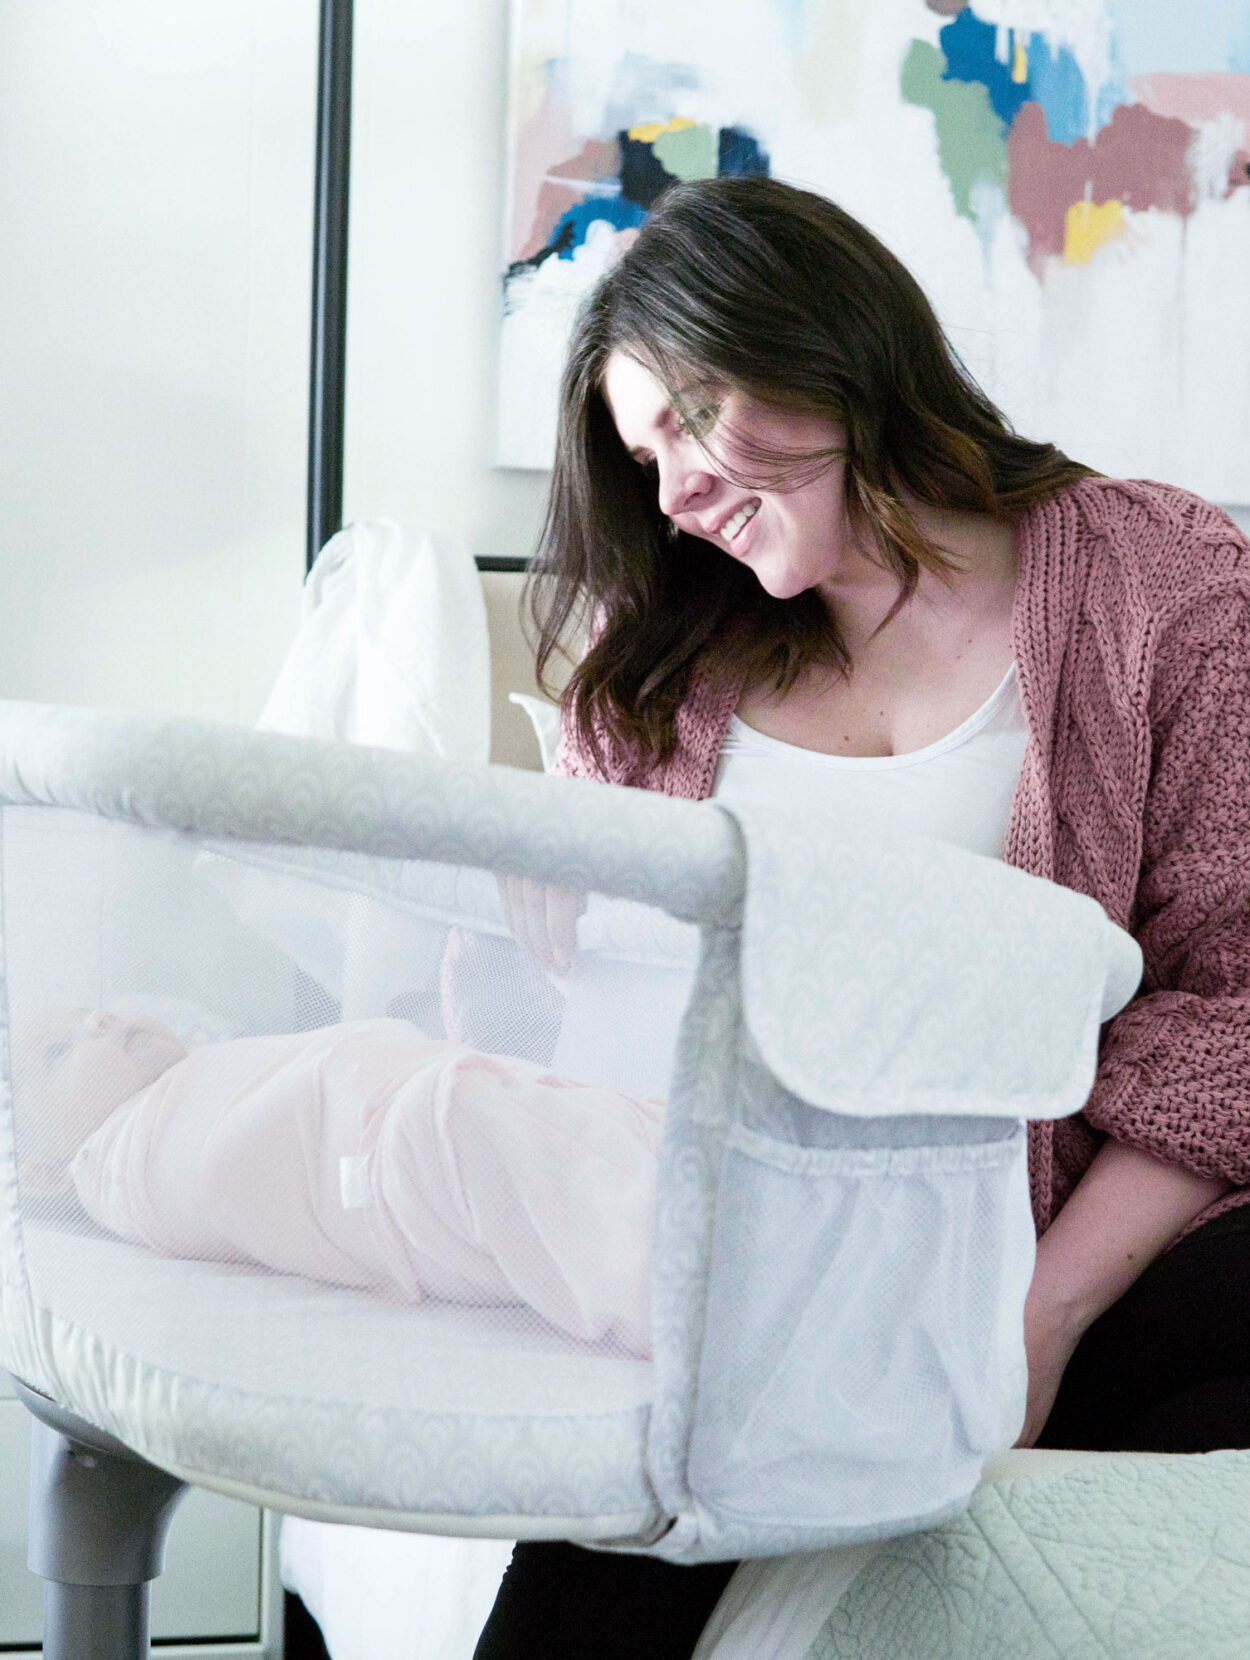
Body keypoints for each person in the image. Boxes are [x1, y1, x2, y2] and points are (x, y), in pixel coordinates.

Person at [478, 174, 1250, 1659]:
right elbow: (591, 1051)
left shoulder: (1164, 589)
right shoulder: (649, 687)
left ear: (829, 351)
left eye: (695, 419)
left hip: (1083, 1249)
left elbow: (1231, 999)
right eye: (643, 457)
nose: (673, 491)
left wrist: (1033, 1320)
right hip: (761, 1284)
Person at [15, 1007, 662, 1353]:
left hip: (413, 1125)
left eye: (84, 1015)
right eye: (59, 1052)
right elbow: (237, 1170)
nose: (98, 1020)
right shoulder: (126, 1168)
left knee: (580, 1133)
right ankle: (676, 1289)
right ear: (40, 1173)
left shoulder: (175, 1093)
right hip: (394, 1172)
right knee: (505, 1143)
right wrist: (376, 1149)